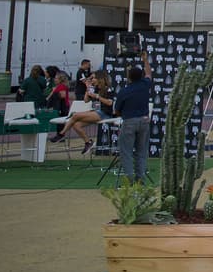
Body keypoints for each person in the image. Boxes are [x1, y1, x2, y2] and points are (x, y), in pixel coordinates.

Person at [51, 70, 114, 154]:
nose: (92, 79)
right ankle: (88, 142)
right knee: (76, 125)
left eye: (94, 78)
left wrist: (97, 96)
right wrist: (87, 88)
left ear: (100, 78)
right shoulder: (96, 88)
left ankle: (61, 134)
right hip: (97, 111)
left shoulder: (107, 88)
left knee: (75, 115)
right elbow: (86, 100)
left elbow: (110, 102)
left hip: (105, 113)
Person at [113, 52, 153, 181]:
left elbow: (117, 111)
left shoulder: (124, 91)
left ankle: (130, 179)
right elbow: (149, 74)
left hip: (129, 121)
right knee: (141, 152)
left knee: (126, 152)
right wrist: (145, 60)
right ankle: (140, 179)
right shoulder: (144, 85)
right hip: (144, 120)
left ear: (129, 78)